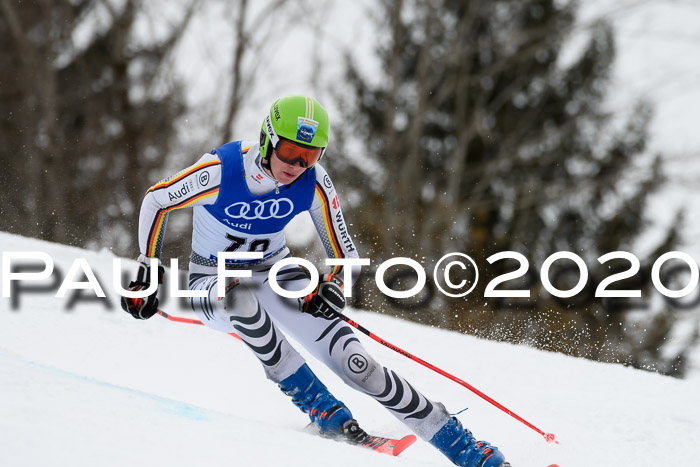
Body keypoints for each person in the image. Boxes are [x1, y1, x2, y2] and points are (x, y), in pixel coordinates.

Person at [120, 95, 509, 467]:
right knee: (237, 298)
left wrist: (334, 287)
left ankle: (465, 448)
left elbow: (346, 255)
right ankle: (323, 410)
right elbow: (157, 199)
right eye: (290, 152)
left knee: (358, 366)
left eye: (311, 156)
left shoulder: (314, 182)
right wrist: (147, 272)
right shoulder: (222, 171)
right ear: (268, 139)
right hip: (212, 280)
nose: (297, 165)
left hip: (274, 270)